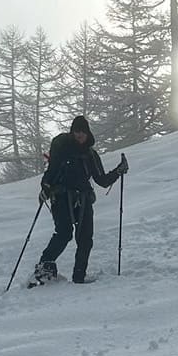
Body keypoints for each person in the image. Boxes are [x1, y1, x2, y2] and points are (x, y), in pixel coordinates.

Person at [31, 116, 127, 284]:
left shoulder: (91, 154)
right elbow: (52, 171)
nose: (80, 135)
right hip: (61, 197)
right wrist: (45, 187)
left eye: (82, 131)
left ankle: (79, 276)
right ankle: (43, 270)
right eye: (77, 131)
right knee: (64, 233)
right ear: (72, 132)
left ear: (87, 132)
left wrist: (119, 171)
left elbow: (101, 180)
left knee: (85, 238)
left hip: (83, 199)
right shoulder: (62, 148)